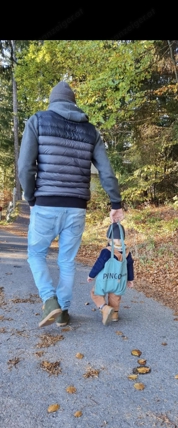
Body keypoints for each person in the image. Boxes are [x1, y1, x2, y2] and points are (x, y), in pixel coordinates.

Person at [18, 81, 124, 328]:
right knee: (66, 261)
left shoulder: (38, 121)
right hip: (76, 207)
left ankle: (49, 301)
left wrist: (31, 197)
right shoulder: (91, 131)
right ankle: (63, 312)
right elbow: (106, 171)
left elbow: (25, 167)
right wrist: (115, 202)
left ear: (52, 101)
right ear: (73, 102)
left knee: (36, 254)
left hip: (46, 203)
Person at [87, 223, 134, 325]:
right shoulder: (127, 252)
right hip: (119, 280)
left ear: (110, 238)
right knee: (115, 297)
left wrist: (91, 275)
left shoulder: (107, 251)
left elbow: (99, 264)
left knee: (95, 293)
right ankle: (114, 315)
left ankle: (105, 308)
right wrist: (130, 279)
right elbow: (129, 266)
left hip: (105, 280)